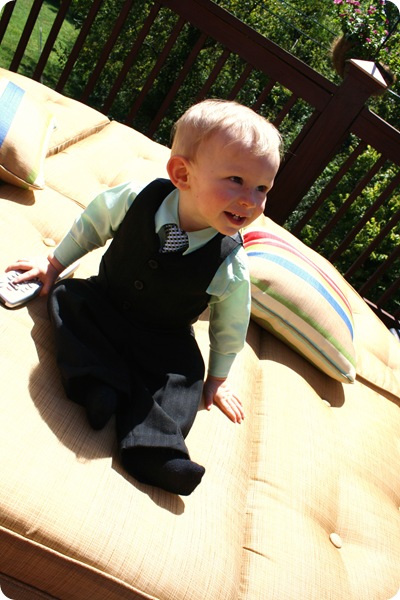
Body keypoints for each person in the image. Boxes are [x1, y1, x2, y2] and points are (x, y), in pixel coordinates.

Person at [8, 99, 281, 495]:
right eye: (236, 180)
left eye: (262, 188)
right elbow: (92, 226)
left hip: (164, 340)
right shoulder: (137, 198)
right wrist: (53, 264)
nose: (251, 201)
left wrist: (217, 380)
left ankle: (155, 450)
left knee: (184, 383)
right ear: (182, 174)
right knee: (67, 298)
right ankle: (98, 384)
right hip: (104, 302)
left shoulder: (231, 263)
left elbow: (230, 326)